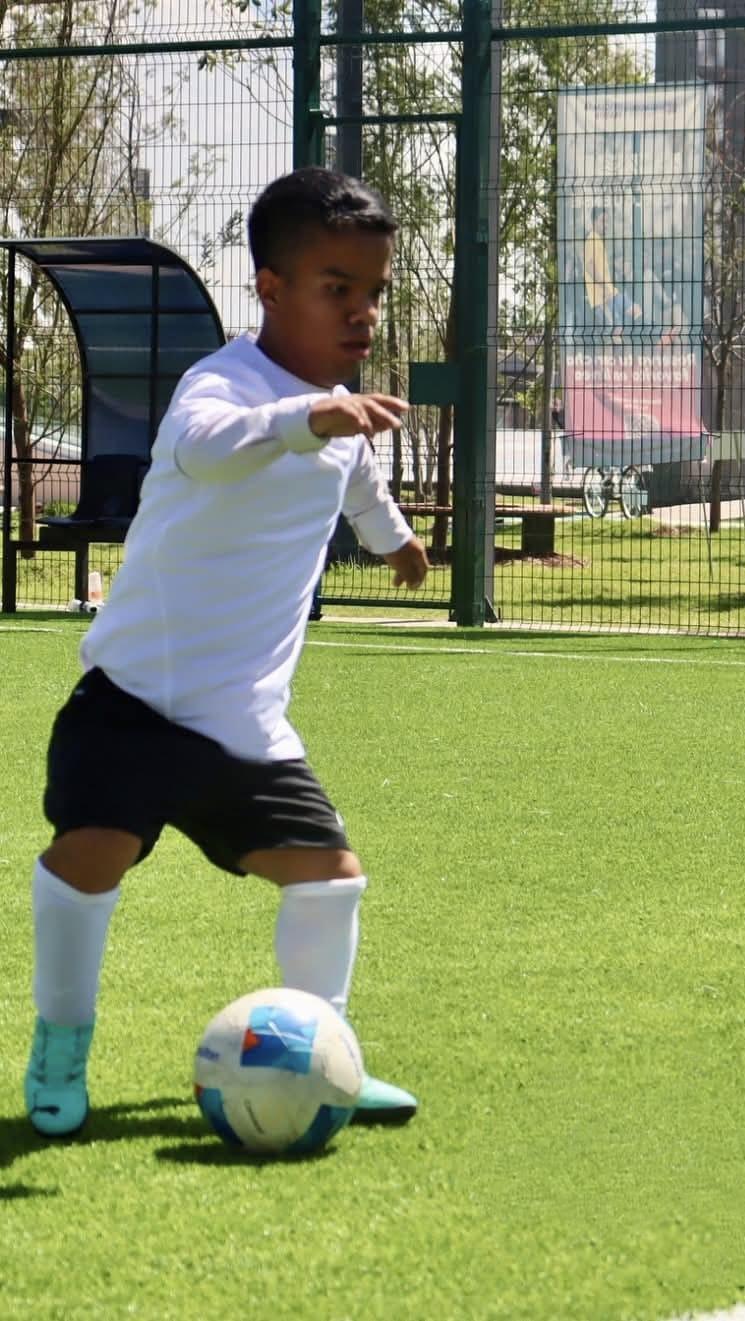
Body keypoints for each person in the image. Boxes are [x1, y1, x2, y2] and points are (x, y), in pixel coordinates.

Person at [23, 166, 431, 1137]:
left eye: (373, 291)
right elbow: (214, 449)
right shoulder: (224, 385)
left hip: (242, 725)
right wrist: (308, 418)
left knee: (332, 877)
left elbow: (358, 479)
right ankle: (59, 1053)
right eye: (338, 287)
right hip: (135, 702)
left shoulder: (340, 415)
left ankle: (323, 1051)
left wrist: (395, 539)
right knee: (89, 860)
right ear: (272, 287)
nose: (362, 311)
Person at [581, 207, 642, 341]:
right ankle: (613, 359)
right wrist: (605, 289)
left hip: (611, 293)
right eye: (603, 221)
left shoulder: (597, 240)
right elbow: (589, 267)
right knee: (615, 330)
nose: (606, 225)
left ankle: (655, 342)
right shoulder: (591, 239)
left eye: (607, 221)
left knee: (636, 312)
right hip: (601, 298)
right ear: (594, 221)